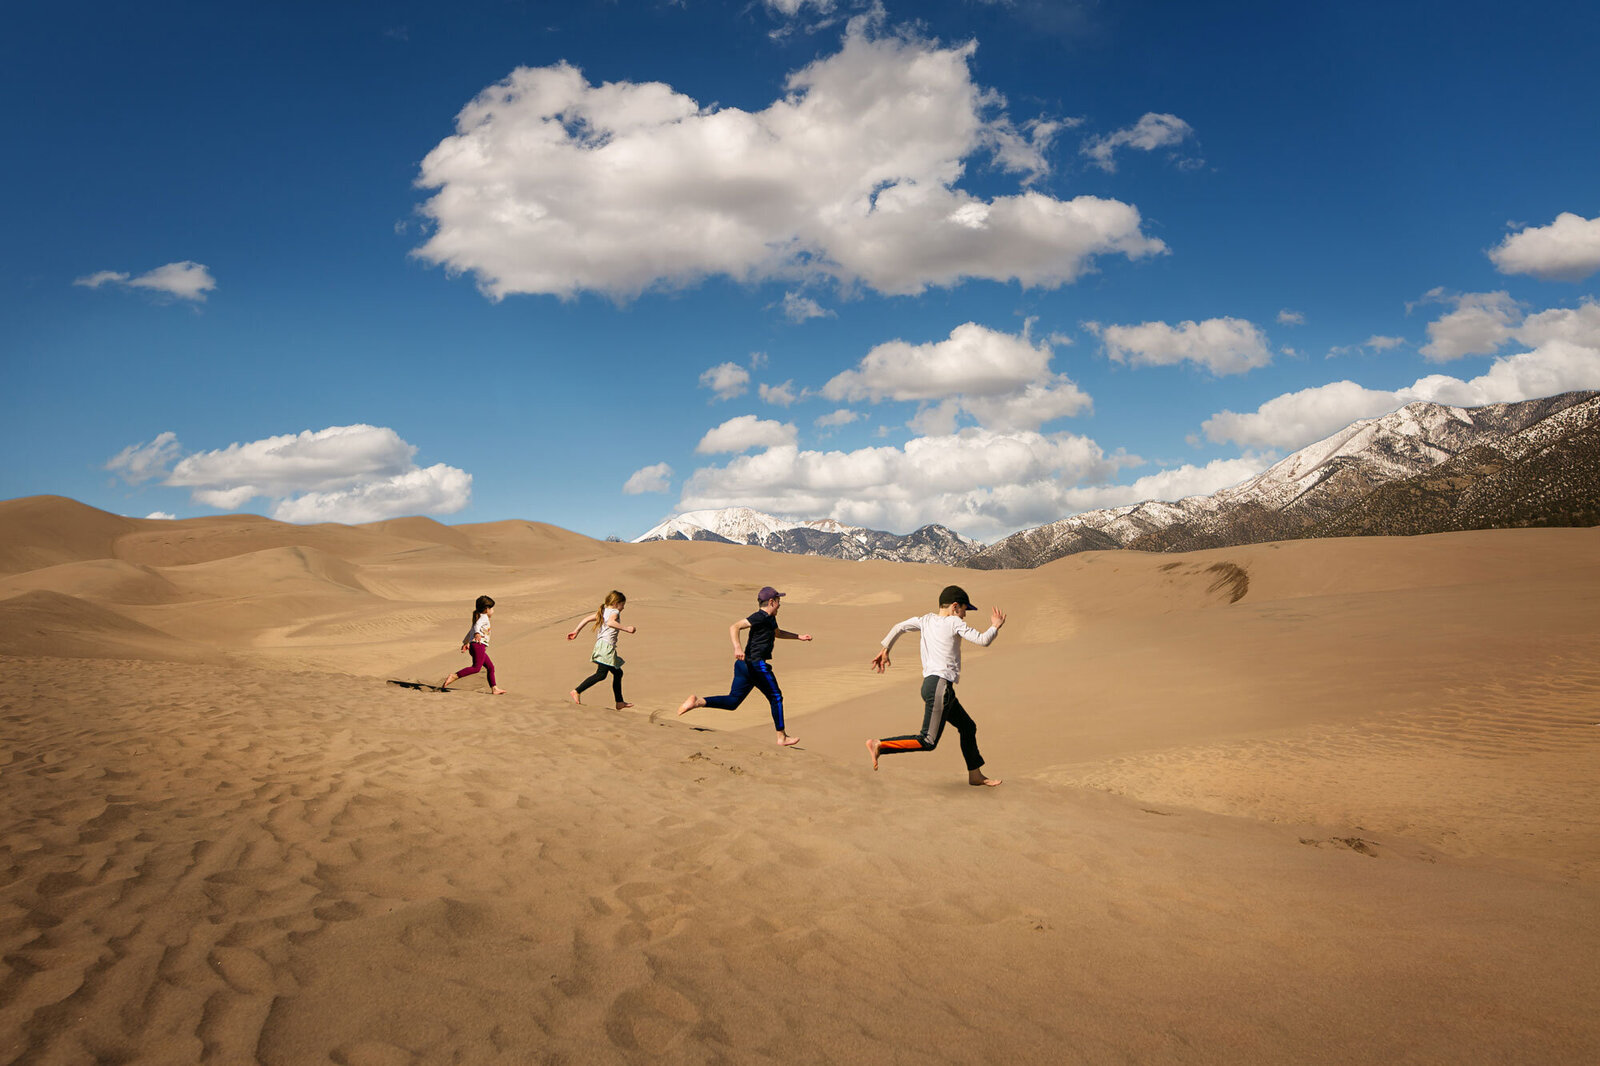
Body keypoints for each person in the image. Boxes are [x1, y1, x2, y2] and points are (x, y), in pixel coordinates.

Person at [867, 585, 1004, 786]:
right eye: (965, 609)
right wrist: (995, 626)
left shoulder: (925, 620)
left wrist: (885, 648)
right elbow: (983, 640)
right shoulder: (954, 622)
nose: (965, 615)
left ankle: (975, 775)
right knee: (928, 741)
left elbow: (899, 627)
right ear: (955, 607)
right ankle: (880, 745)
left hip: (933, 686)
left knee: (967, 726)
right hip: (940, 687)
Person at [678, 585, 811, 747]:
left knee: (733, 701)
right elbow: (734, 627)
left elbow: (778, 633)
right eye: (778, 601)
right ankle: (781, 737)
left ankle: (697, 702)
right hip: (756, 665)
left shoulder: (770, 619)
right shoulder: (759, 617)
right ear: (771, 602)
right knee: (776, 697)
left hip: (744, 666)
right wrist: (737, 647)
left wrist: (799, 637)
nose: (780, 604)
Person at [567, 590, 636, 710]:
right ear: (616, 603)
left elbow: (586, 619)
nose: (623, 608)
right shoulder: (614, 612)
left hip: (603, 646)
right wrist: (627, 629)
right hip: (606, 647)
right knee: (601, 674)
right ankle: (577, 691)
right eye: (622, 605)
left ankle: (619, 702)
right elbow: (611, 622)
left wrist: (576, 631)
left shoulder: (604, 611)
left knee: (618, 673)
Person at [441, 595, 506, 694]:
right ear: (486, 609)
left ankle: (494, 688)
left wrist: (466, 642)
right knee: (476, 668)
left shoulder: (479, 617)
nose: (493, 610)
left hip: (477, 646)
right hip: (478, 645)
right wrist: (477, 634)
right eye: (492, 608)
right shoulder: (483, 618)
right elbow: (476, 627)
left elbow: (471, 630)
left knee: (490, 667)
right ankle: (454, 676)